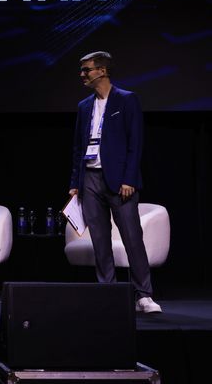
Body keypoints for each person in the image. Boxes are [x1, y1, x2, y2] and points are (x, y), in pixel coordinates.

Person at [69, 51, 162, 313]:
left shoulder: (127, 100)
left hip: (120, 181)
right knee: (100, 240)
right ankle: (108, 293)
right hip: (90, 178)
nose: (82, 75)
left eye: (86, 70)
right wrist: (75, 181)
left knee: (132, 238)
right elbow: (78, 147)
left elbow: (136, 142)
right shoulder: (84, 106)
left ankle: (144, 295)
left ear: (102, 71)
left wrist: (129, 178)